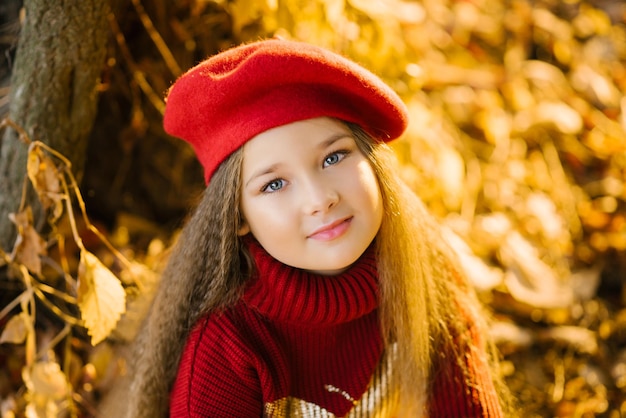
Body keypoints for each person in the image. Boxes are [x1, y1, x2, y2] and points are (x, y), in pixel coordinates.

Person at [126, 38, 516, 417]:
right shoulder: (226, 351)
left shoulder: (428, 277)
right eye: (274, 184)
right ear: (239, 218)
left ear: (372, 161)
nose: (319, 199)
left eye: (334, 157)